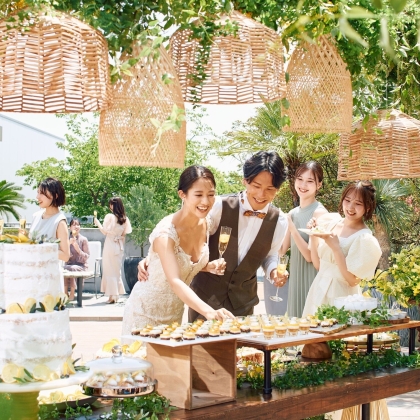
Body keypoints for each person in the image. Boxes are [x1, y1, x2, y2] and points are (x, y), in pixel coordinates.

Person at [139, 151, 289, 319]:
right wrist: (153, 258)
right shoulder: (217, 206)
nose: (261, 194)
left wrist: (273, 271)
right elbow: (184, 231)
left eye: (270, 189)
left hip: (243, 303)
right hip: (204, 300)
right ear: (245, 181)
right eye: (256, 186)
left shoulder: (280, 221)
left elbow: (270, 255)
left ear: (278, 189)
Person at [122, 165, 234, 334]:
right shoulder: (166, 233)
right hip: (144, 313)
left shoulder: (207, 223)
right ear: (182, 194)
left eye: (211, 195)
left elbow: (183, 264)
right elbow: (174, 280)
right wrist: (209, 311)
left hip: (174, 315)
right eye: (198, 195)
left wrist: (207, 266)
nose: (205, 201)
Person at [302, 180, 382, 316]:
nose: (350, 207)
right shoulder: (330, 224)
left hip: (342, 298)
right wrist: (314, 234)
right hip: (318, 291)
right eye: (347, 200)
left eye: (358, 203)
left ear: (368, 207)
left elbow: (353, 281)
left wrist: (336, 248)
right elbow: (318, 266)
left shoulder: (364, 239)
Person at [277, 161, 328, 317]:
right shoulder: (292, 213)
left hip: (312, 279)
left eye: (310, 181)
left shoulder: (319, 213)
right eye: (300, 179)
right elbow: (281, 250)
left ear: (319, 185)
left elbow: (310, 256)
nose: (303, 185)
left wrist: (292, 228)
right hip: (296, 281)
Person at [94, 197, 132, 304]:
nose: (109, 206)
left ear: (113, 205)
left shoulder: (110, 217)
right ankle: (115, 295)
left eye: (110, 204)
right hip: (119, 246)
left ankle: (112, 296)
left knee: (109, 270)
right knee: (116, 271)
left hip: (110, 245)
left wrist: (97, 223)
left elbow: (104, 231)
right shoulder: (125, 219)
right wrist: (121, 248)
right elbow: (123, 236)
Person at [29, 177, 70, 262]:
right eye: (38, 192)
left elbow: (65, 256)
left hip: (49, 269)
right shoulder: (36, 216)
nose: (37, 197)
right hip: (32, 267)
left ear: (55, 195)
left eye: (42, 193)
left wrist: (42, 248)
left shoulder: (60, 222)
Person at [63, 218, 90, 301]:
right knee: (64, 268)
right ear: (70, 227)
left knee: (73, 268)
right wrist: (68, 244)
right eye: (74, 225)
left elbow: (87, 256)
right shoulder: (67, 240)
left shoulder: (83, 240)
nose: (76, 226)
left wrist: (78, 250)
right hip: (69, 264)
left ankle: (72, 292)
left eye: (78, 225)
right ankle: (65, 292)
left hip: (81, 265)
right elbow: (63, 254)